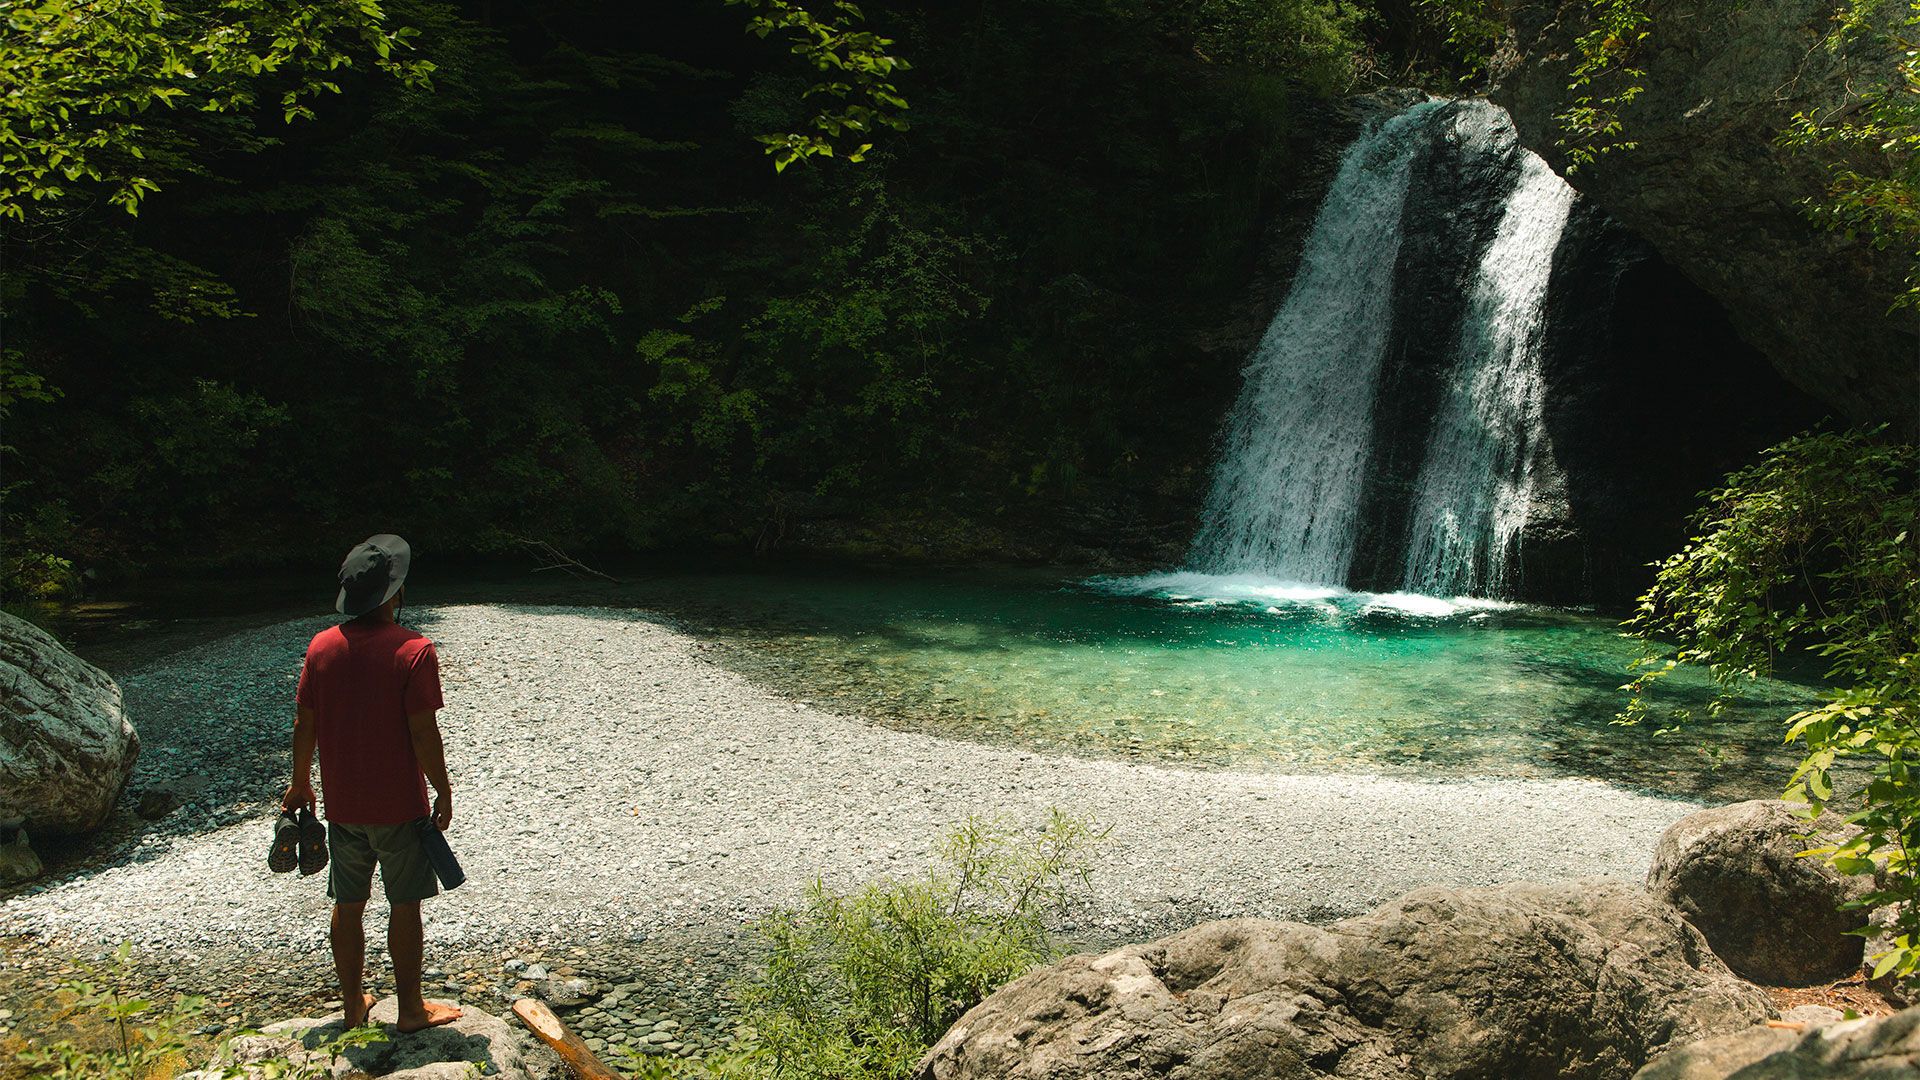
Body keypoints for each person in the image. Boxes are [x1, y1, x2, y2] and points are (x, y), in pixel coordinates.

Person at [282, 533, 461, 1033]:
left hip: (343, 806)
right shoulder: (415, 651)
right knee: (404, 902)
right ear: (395, 595)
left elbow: (304, 723)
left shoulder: (321, 648)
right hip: (400, 806)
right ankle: (409, 1009)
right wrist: (442, 789)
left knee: (348, 903)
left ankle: (351, 1006)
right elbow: (423, 731)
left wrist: (300, 784)